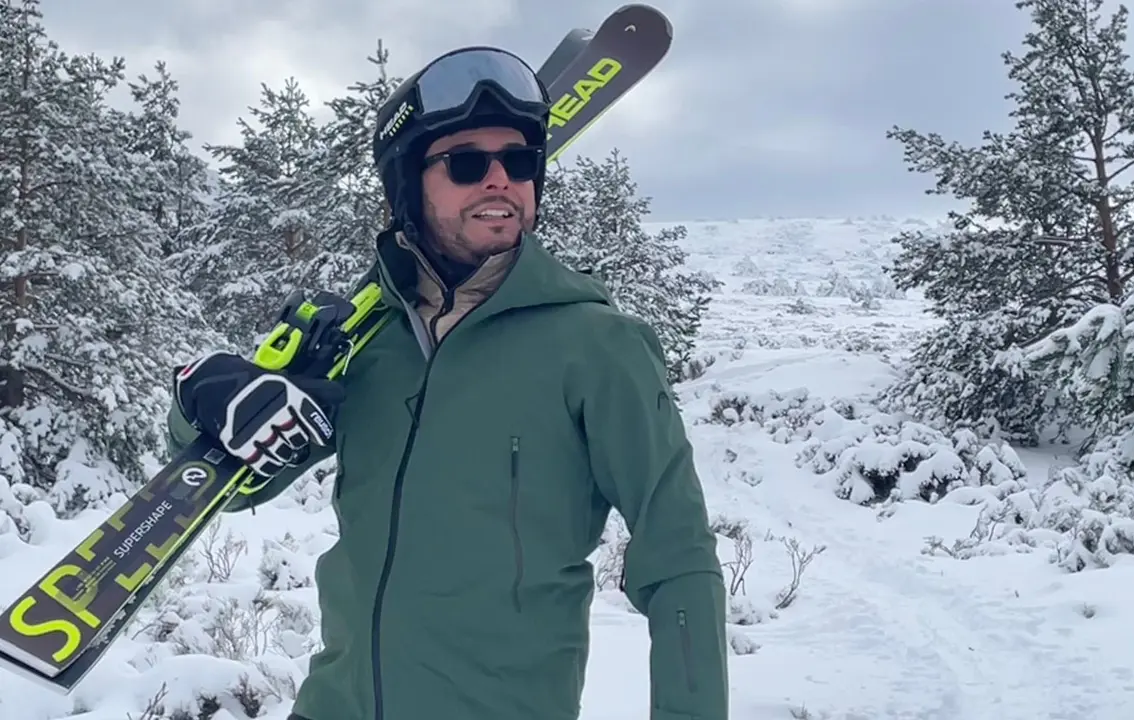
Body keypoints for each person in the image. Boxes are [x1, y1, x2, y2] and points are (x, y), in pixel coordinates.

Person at [165, 45, 729, 720]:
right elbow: (233, 488)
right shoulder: (366, 341)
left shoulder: (598, 347)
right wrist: (207, 403)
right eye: (466, 163)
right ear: (409, 185)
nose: (500, 180)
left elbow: (680, 559)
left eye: (519, 162)